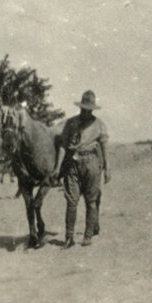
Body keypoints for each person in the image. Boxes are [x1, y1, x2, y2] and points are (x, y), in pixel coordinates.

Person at [53, 90, 110, 248]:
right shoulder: (71, 123)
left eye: (88, 109)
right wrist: (58, 167)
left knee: (91, 201)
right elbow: (63, 146)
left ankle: (88, 235)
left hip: (91, 162)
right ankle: (69, 237)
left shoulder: (99, 125)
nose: (85, 112)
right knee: (71, 201)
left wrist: (107, 168)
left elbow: (104, 147)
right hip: (73, 163)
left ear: (92, 109)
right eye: (83, 109)